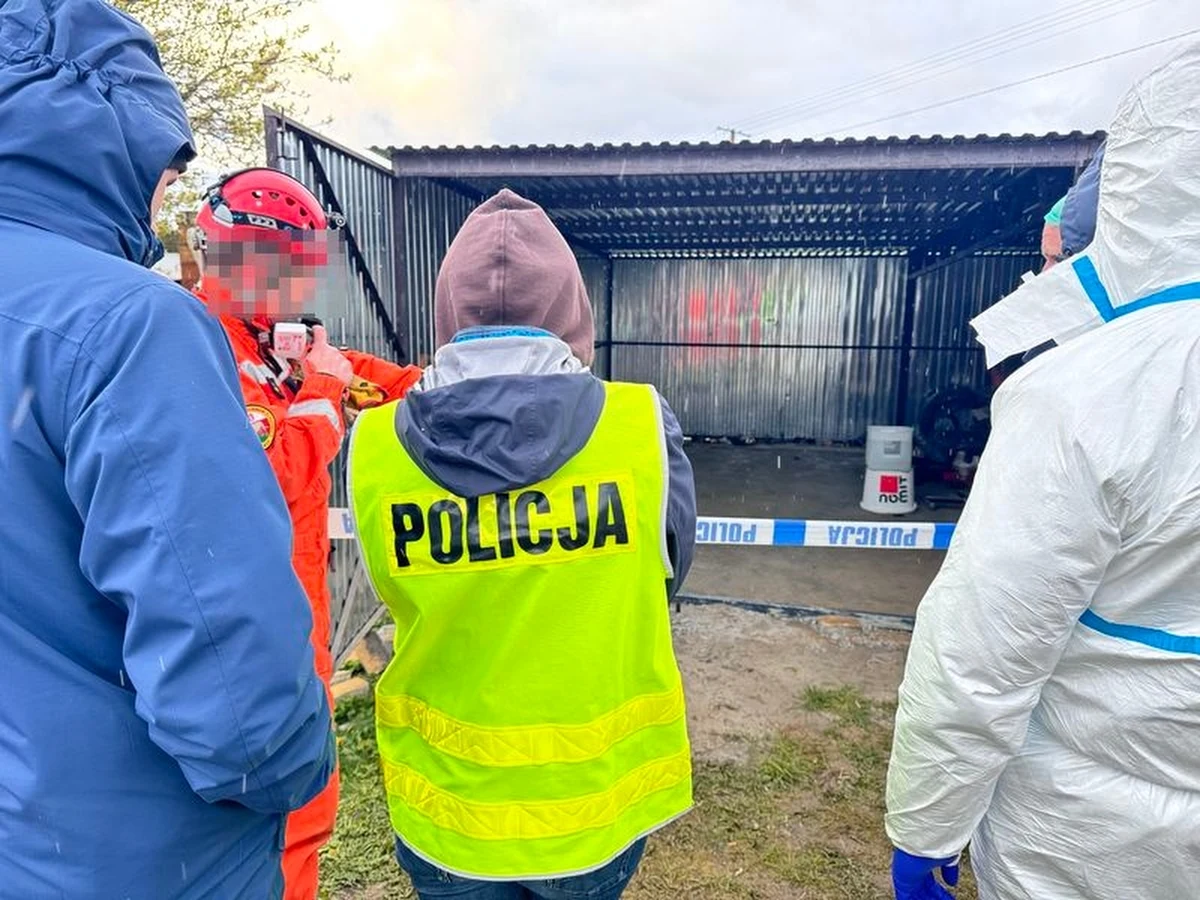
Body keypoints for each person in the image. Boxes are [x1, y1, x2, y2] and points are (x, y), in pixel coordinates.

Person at [0, 2, 335, 898]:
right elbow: (223, 642)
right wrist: (325, 411)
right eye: (161, 164)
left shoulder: (267, 338)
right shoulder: (141, 326)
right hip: (144, 847)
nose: (162, 197)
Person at [887, 43, 1200, 900]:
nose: (1051, 278)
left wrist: (925, 830)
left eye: (1061, 258)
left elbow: (982, 649)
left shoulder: (1086, 390)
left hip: (1095, 841)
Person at [347, 189, 697, 899]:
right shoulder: (639, 428)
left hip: (445, 814)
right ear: (573, 312)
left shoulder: (373, 446)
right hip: (592, 815)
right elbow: (667, 575)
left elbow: (385, 588)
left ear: (447, 313)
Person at [190, 166, 422, 900]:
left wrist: (477, 390)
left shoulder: (277, 351)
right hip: (242, 634)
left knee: (307, 809)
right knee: (261, 821)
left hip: (297, 628)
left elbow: (390, 385)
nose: (296, 288)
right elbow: (260, 489)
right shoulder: (201, 352)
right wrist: (321, 390)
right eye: (284, 269)